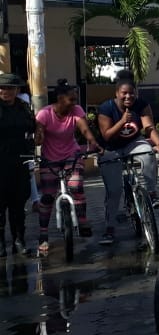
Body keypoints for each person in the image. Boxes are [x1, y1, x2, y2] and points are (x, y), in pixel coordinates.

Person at [96, 77, 159, 245]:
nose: (128, 96)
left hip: (132, 143)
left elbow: (148, 127)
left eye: (131, 93)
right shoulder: (106, 108)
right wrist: (122, 121)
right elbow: (106, 135)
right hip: (111, 148)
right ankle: (109, 228)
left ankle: (151, 193)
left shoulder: (141, 104)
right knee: (114, 191)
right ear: (117, 94)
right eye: (124, 93)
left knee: (148, 152)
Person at [35, 79, 101, 255]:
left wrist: (93, 143)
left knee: (76, 185)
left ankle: (83, 220)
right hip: (49, 158)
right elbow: (39, 136)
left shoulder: (77, 111)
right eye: (71, 99)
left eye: (75, 99)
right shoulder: (44, 114)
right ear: (60, 99)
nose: (74, 102)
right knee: (47, 197)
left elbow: (85, 130)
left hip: (72, 154)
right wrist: (38, 136)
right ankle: (43, 235)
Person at [0, 73, 36, 256]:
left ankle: (19, 240)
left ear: (17, 90)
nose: (5, 91)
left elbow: (32, 128)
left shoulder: (23, 107)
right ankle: (1, 244)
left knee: (18, 206)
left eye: (9, 88)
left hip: (19, 162)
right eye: (2, 88)